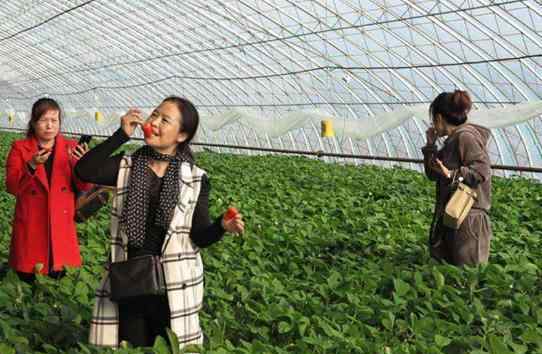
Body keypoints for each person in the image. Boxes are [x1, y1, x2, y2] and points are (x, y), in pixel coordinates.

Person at [75, 96, 244, 349]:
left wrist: (221, 226)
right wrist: (120, 135)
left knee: (168, 344)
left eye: (165, 120)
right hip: (130, 277)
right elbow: (84, 171)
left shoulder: (194, 178)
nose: (154, 122)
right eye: (154, 115)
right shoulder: (127, 166)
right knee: (131, 345)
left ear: (181, 135)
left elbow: (198, 236)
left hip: (172, 283)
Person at [5, 98, 92, 282]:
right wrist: (32, 164)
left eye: (54, 120)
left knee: (58, 275)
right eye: (44, 120)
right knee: (28, 277)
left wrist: (82, 165)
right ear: (34, 122)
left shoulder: (71, 147)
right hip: (32, 223)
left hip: (60, 224)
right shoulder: (20, 148)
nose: (49, 125)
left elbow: (84, 187)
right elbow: (12, 186)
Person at [422, 90, 492, 266]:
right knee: (452, 274)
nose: (433, 124)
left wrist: (452, 174)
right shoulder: (452, 141)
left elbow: (482, 171)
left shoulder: (465, 137)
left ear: (438, 118)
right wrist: (430, 146)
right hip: (454, 214)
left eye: (433, 120)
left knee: (466, 278)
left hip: (469, 218)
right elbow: (432, 174)